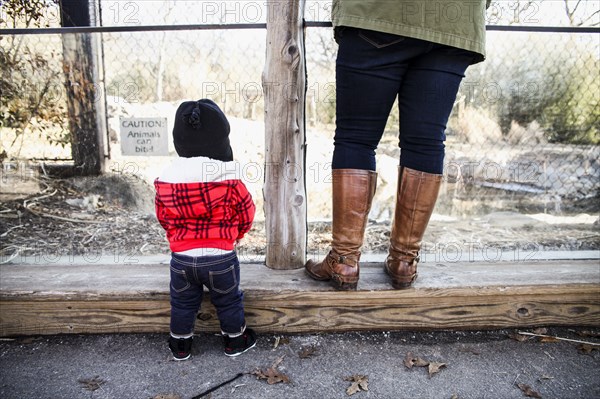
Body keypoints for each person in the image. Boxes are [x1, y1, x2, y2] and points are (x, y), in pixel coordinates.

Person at [305, 0, 489, 290]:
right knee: (426, 142)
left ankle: (344, 260)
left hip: (378, 13)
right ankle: (405, 261)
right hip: (454, 19)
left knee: (357, 137)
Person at [155, 99, 257, 360]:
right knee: (229, 300)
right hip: (221, 257)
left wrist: (177, 238)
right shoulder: (230, 180)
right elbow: (247, 212)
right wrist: (236, 235)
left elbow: (163, 217)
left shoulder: (167, 181)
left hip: (181, 260)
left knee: (182, 303)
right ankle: (235, 341)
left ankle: (180, 345)